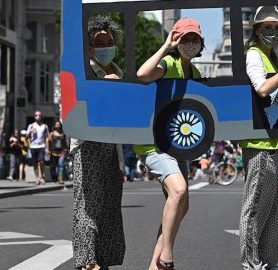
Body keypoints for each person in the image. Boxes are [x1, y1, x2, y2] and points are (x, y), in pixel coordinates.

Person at [136, 17, 207, 270]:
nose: (189, 43)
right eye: (184, 38)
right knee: (178, 192)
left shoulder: (195, 72)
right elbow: (143, 75)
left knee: (181, 204)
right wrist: (166, 47)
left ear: (201, 43)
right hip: (154, 144)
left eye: (194, 39)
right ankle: (166, 258)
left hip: (179, 143)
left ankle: (155, 266)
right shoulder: (169, 62)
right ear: (176, 41)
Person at [240, 6, 278, 269]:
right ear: (256, 30)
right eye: (267, 27)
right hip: (259, 144)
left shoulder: (272, 57)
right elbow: (262, 88)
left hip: (277, 142)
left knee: (276, 210)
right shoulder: (255, 55)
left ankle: (267, 262)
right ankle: (251, 263)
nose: (273, 32)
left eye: (277, 27)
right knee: (255, 208)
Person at [71, 15, 126, 269]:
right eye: (100, 42)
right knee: (88, 204)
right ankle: (88, 260)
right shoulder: (84, 69)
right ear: (90, 47)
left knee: (110, 205)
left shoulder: (118, 70)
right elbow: (81, 96)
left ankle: (104, 258)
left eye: (109, 41)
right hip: (88, 143)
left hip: (111, 145)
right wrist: (105, 85)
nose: (105, 46)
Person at [26, 111, 50, 185]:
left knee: (41, 161)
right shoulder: (31, 126)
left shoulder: (44, 126)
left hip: (41, 146)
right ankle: (37, 178)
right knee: (35, 163)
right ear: (34, 116)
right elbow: (26, 137)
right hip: (33, 146)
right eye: (36, 115)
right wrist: (30, 132)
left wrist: (47, 148)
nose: (38, 116)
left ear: (41, 116)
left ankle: (42, 176)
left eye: (39, 115)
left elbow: (47, 138)